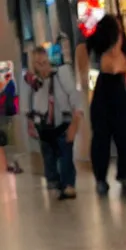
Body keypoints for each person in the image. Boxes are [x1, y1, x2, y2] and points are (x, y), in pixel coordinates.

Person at [81, 14, 126, 197]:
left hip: (120, 96)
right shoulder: (97, 51)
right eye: (116, 27)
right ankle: (101, 178)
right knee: (101, 140)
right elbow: (91, 76)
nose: (120, 30)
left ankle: (125, 176)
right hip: (101, 96)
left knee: (124, 138)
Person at [26, 47, 83, 199]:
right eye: (38, 64)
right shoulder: (34, 82)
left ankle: (68, 184)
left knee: (66, 154)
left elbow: (74, 96)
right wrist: (30, 123)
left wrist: (76, 121)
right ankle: (54, 182)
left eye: (44, 62)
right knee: (49, 156)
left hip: (62, 122)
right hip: (43, 125)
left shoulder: (61, 73)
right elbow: (30, 104)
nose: (42, 66)